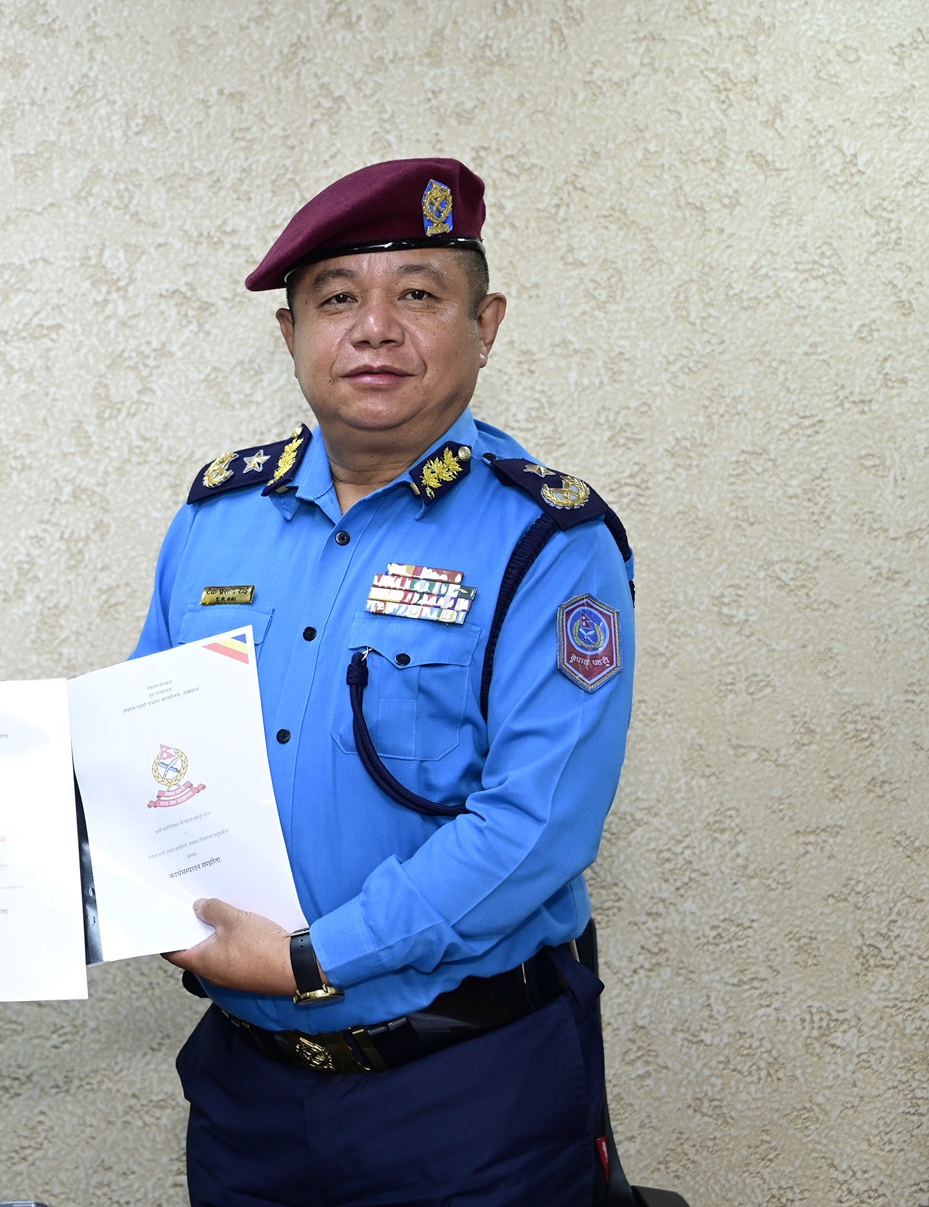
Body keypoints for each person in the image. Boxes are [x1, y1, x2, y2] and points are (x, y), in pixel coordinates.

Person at [144, 160, 636, 1206]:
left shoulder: (547, 542)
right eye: (336, 299)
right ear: (290, 334)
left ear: (484, 325)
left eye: (416, 293)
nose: (374, 329)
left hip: (468, 1098)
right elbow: (143, 761)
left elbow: (534, 826)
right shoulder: (212, 520)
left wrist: (312, 958)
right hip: (246, 1097)